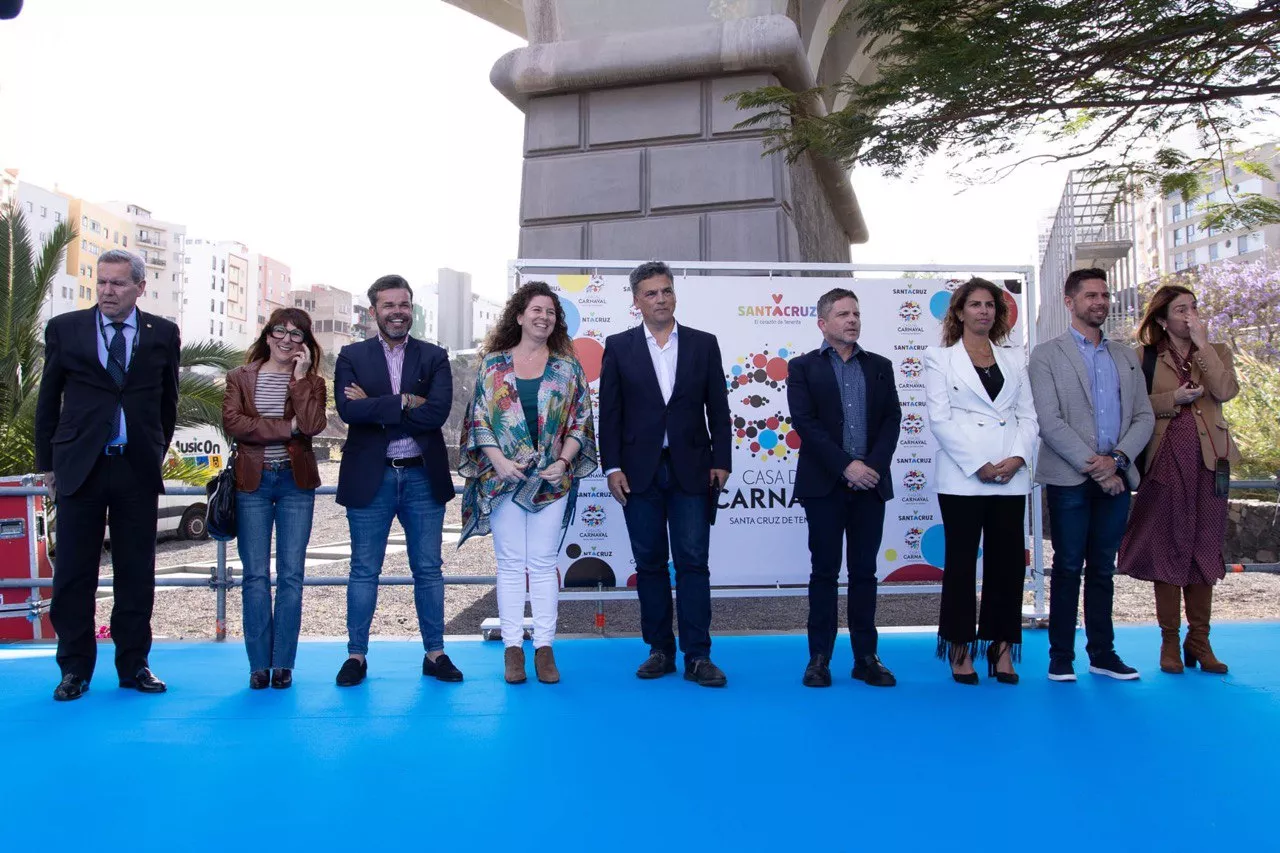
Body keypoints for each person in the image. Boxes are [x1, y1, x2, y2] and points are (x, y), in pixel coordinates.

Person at [35, 249, 180, 701]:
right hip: (80, 468)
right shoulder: (66, 329)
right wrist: (47, 466)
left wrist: (152, 451)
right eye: (101, 282)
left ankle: (134, 664)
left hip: (135, 468)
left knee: (137, 572)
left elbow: (167, 404)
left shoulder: (163, 334)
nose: (107, 291)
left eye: (118, 283)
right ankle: (74, 669)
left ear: (140, 287)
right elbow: (48, 402)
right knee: (74, 574)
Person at [599, 261, 731, 687]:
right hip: (638, 474)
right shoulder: (618, 346)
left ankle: (698, 655)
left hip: (693, 471)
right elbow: (611, 414)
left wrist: (722, 461)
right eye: (651, 293)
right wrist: (612, 466)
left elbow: (720, 411)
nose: (661, 299)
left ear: (675, 295)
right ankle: (659, 650)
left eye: (667, 291)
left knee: (694, 564)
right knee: (650, 564)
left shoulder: (703, 344)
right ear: (636, 301)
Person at [459, 282, 597, 684]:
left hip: (550, 481)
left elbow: (581, 421)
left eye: (551, 312)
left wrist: (564, 461)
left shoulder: (568, 366)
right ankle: (513, 650)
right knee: (509, 565)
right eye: (536, 310)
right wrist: (498, 462)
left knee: (541, 563)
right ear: (519, 315)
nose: (544, 317)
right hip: (503, 480)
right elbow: (479, 419)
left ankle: (545, 648)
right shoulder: (493, 364)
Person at [333, 274, 460, 686]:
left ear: (412, 309)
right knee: (363, 570)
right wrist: (405, 402)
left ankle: (435, 653)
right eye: (388, 305)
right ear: (374, 311)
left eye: (404, 305)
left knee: (429, 569)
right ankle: (356, 656)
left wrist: (378, 407)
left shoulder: (434, 356)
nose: (397, 312)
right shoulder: (351, 355)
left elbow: (437, 413)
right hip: (372, 478)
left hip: (423, 477)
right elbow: (349, 413)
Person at [1029, 268, 1154, 682]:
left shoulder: (1125, 356)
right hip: (1071, 480)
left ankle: (1103, 654)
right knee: (1067, 567)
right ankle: (1060, 657)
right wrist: (1099, 467)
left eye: (1104, 295)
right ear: (1070, 302)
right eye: (1090, 296)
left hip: (1117, 477)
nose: (1100, 302)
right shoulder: (1047, 355)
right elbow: (1049, 421)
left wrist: (1116, 459)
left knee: (1103, 569)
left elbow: (1142, 416)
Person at [1118, 285, 1239, 674]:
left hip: (1211, 462)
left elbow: (1224, 390)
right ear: (1161, 319)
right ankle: (1168, 642)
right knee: (1168, 548)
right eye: (1180, 310)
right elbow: (1132, 407)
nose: (1190, 316)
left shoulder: (1215, 352)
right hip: (1167, 462)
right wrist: (1174, 401)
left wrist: (1204, 345)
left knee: (1205, 546)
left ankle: (1199, 641)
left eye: (1193, 308)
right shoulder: (1145, 358)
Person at [923, 279, 1038, 686]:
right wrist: (980, 464)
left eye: (990, 305)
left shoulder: (1014, 358)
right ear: (958, 312)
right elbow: (940, 419)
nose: (984, 311)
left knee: (1007, 565)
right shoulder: (939, 358)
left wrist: (1017, 458)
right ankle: (958, 647)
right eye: (975, 305)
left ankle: (1002, 647)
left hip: (1011, 475)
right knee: (959, 565)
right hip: (963, 477)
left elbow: (1028, 416)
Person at [788, 287, 902, 688]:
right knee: (823, 573)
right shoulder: (802, 368)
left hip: (870, 485)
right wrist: (846, 466)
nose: (851, 320)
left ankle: (866, 657)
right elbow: (806, 424)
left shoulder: (880, 366)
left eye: (855, 313)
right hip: (825, 486)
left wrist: (870, 467)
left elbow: (892, 420)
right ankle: (819, 658)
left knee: (865, 573)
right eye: (842, 314)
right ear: (823, 323)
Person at [223, 309, 328, 690]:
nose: (287, 339)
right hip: (252, 483)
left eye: (296, 334)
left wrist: (299, 382)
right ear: (267, 336)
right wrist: (287, 428)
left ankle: (283, 663)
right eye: (280, 331)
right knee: (254, 577)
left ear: (305, 343)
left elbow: (314, 426)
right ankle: (257, 665)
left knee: (291, 577)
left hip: (295, 483)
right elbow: (234, 424)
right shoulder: (240, 376)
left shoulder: (312, 382)